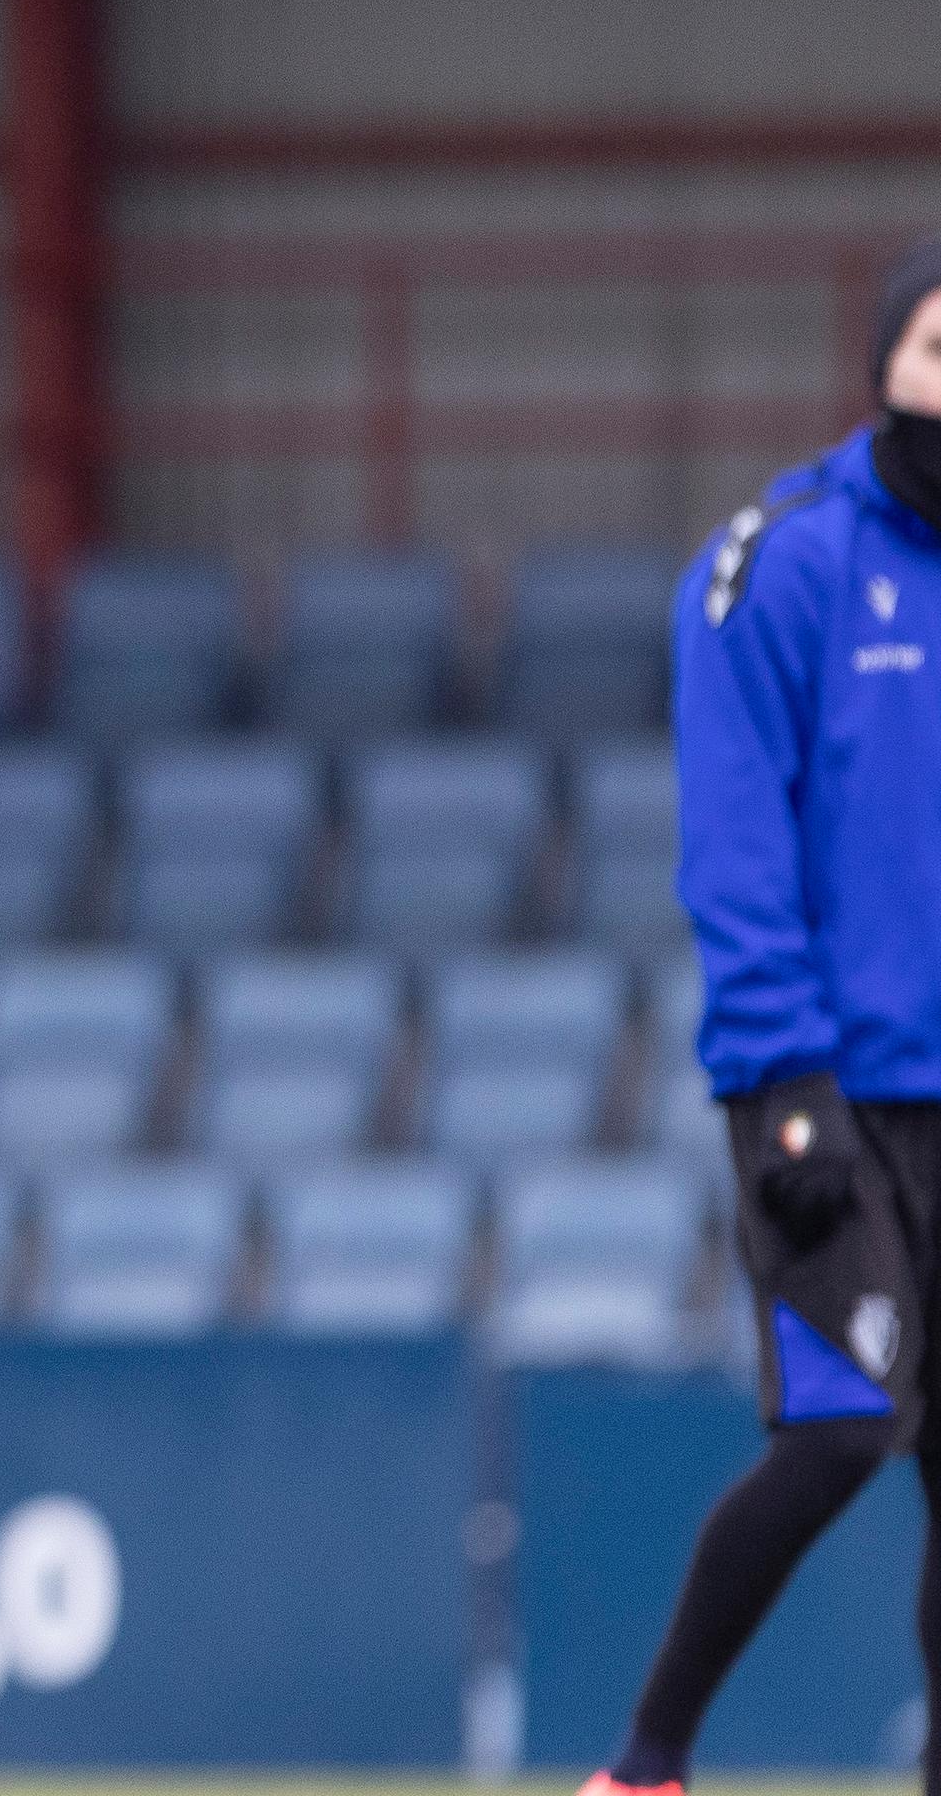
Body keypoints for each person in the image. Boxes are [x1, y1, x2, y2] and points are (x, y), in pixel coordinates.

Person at [588, 236, 941, 1796]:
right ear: (884, 370)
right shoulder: (778, 563)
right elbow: (736, 852)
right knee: (846, 1429)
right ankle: (647, 1764)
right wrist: (789, 1090)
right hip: (830, 1098)